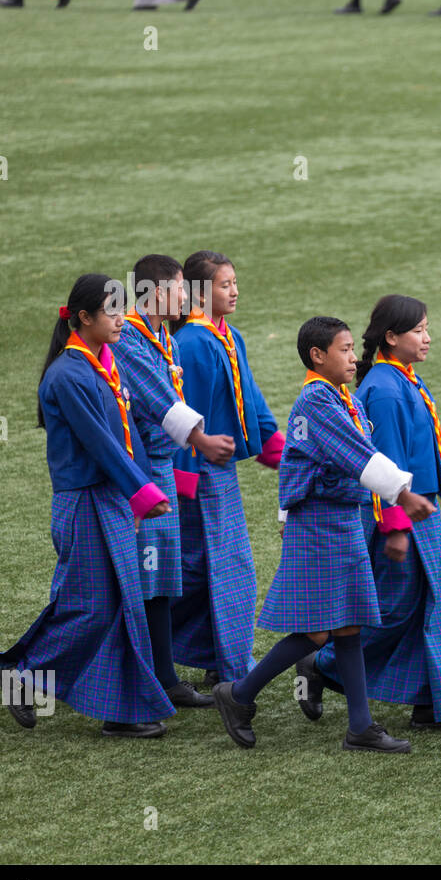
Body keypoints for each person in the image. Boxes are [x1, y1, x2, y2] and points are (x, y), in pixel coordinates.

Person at [213, 317, 428, 753]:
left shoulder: (339, 398)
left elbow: (327, 459)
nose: (354, 357)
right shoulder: (318, 402)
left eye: (352, 349)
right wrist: (403, 495)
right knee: (316, 632)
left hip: (341, 520)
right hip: (320, 524)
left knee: (347, 625)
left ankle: (360, 726)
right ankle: (237, 695)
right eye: (345, 350)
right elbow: (359, 456)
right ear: (318, 356)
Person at [0, 274, 174, 738]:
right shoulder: (68, 375)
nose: (121, 319)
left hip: (111, 498)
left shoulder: (103, 363)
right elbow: (101, 444)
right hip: (85, 502)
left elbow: (128, 435)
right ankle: (22, 674)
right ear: (83, 318)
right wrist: (144, 492)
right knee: (93, 606)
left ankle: (122, 712)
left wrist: (143, 488)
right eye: (111, 312)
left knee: (121, 605)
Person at [305, 296, 441, 730]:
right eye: (419, 330)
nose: (428, 338)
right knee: (394, 612)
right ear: (391, 337)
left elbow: (436, 453)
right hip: (397, 520)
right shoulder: (385, 390)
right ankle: (322, 664)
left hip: (417, 517)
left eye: (426, 329)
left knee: (432, 608)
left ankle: (432, 706)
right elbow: (386, 467)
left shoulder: (406, 381)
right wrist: (397, 530)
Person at [117, 254, 234, 710]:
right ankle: (142, 676)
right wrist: (202, 441)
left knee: (162, 575)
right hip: (139, 472)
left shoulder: (163, 334)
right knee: (136, 578)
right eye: (180, 288)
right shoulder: (129, 336)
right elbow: (161, 400)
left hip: (161, 469)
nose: (187, 297)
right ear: (152, 293)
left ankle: (164, 677)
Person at [171, 251, 284, 689]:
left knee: (214, 571)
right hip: (195, 478)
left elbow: (252, 407)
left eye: (235, 282)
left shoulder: (229, 335)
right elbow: (181, 419)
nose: (234, 291)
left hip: (219, 476)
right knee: (215, 571)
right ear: (201, 292)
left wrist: (283, 456)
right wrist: (182, 483)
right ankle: (230, 667)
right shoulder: (195, 344)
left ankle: (222, 658)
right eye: (224, 284)